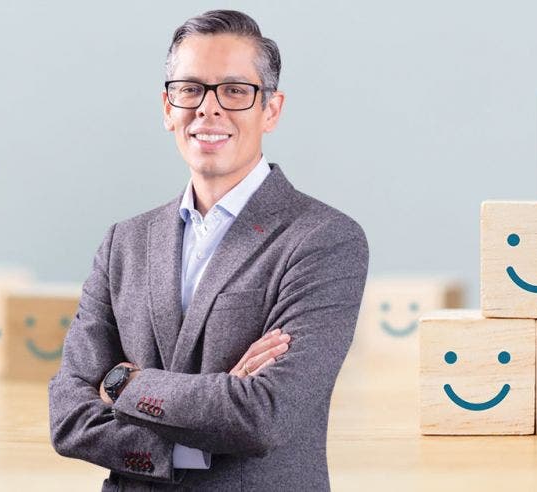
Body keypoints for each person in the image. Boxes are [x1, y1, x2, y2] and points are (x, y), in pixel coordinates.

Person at [48, 10, 368, 490]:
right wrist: (195, 435)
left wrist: (122, 384)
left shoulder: (323, 239)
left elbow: (265, 414)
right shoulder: (124, 242)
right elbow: (69, 418)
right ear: (167, 106)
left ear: (272, 110)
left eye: (235, 91)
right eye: (190, 88)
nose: (208, 109)